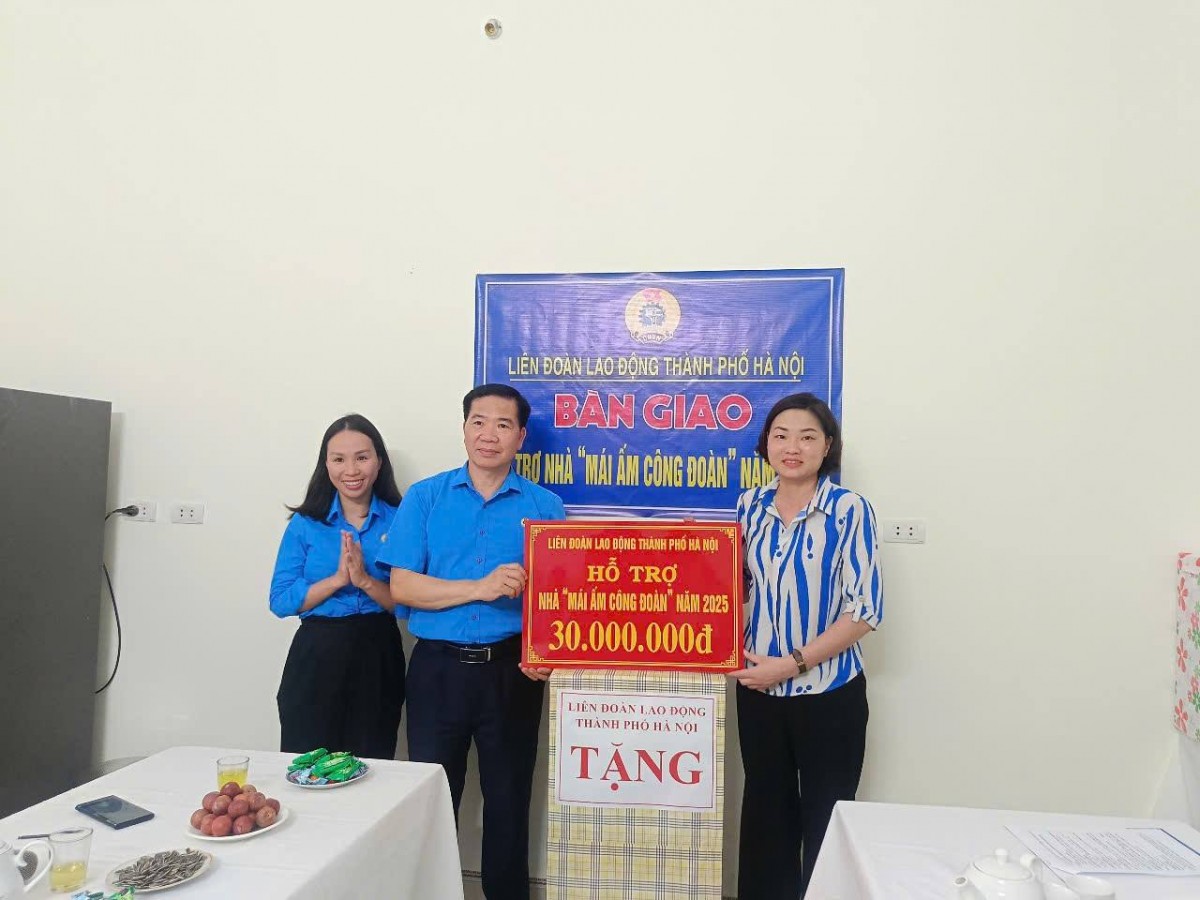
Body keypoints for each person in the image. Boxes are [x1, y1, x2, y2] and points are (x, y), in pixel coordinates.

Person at [379, 383, 564, 900]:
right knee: (433, 799)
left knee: (509, 801)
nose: (489, 435)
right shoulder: (426, 497)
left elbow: (558, 599)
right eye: (478, 422)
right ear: (464, 429)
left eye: (503, 425)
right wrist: (479, 588)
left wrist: (546, 653)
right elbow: (402, 586)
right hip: (437, 671)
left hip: (512, 673)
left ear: (520, 437)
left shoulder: (545, 506)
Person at [728, 392, 884, 899]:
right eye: (781, 436)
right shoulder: (749, 506)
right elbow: (740, 589)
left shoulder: (849, 510)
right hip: (758, 691)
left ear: (827, 446)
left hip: (829, 693)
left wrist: (791, 664)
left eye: (807, 437)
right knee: (766, 817)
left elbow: (864, 611)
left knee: (827, 819)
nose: (792, 447)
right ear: (766, 444)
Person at [269, 413, 407, 760]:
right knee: (308, 765)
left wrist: (365, 581)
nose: (351, 470)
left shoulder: (402, 520)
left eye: (362, 457)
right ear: (326, 465)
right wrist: (337, 581)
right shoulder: (306, 524)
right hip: (317, 652)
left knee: (372, 765)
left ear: (379, 462)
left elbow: (409, 604)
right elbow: (280, 600)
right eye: (339, 459)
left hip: (378, 652)